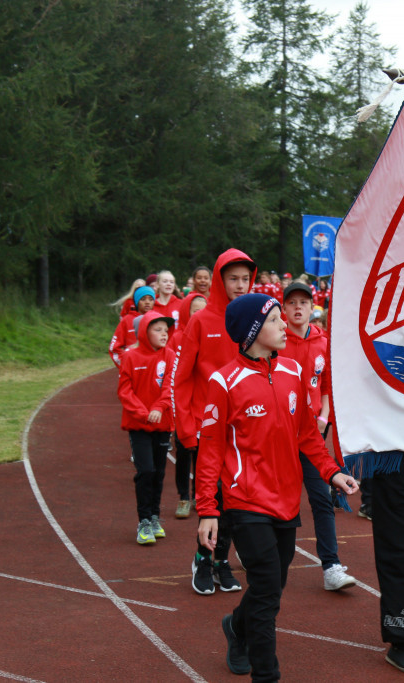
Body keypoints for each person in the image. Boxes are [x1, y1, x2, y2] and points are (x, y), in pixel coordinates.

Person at [195, 292, 358, 680]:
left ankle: (237, 626)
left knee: (273, 583)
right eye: (274, 321)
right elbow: (211, 450)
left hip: (287, 501)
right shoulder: (224, 382)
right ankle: (266, 675)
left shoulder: (291, 373)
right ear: (252, 331)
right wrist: (207, 509)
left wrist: (332, 472)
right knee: (268, 592)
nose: (285, 324)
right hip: (246, 501)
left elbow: (307, 435)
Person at [173, 248, 257, 595]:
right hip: (209, 428)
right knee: (213, 499)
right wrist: (186, 425)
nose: (240, 285)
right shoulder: (201, 321)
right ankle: (203, 559)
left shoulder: (254, 318)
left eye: (245, 279)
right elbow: (182, 377)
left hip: (245, 427)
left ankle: (222, 559)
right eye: (233, 278)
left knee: (238, 502)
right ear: (221, 280)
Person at [278, 281, 356, 592]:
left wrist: (324, 417)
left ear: (313, 308)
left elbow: (326, 386)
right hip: (279, 435)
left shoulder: (323, 343)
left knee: (321, 499)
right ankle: (266, 557)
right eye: (292, 302)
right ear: (283, 309)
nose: (298, 307)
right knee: (278, 501)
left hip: (311, 435)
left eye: (303, 302)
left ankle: (331, 566)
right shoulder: (276, 341)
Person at [118, 311, 177, 544]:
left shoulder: (170, 355)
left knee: (160, 473)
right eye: (158, 329)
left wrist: (159, 408)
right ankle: (143, 521)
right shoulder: (130, 357)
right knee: (146, 471)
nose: (164, 334)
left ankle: (154, 517)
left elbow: (170, 387)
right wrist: (145, 413)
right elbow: (125, 391)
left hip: (162, 423)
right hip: (139, 425)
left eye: (166, 330)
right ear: (144, 332)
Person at [168, 291, 207, 519]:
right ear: (186, 313)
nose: (199, 315)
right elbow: (176, 378)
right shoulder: (176, 338)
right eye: (195, 311)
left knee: (203, 459)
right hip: (185, 408)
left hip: (205, 407)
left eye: (203, 310)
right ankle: (183, 497)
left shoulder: (211, 335)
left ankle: (199, 496)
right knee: (183, 455)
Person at [109, 286, 155, 367]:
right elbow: (114, 348)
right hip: (133, 370)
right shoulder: (126, 321)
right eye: (143, 299)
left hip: (153, 370)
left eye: (151, 299)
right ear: (137, 301)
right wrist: (125, 365)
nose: (147, 302)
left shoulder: (158, 319)